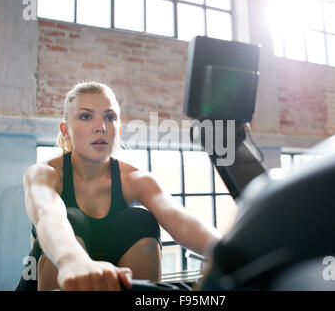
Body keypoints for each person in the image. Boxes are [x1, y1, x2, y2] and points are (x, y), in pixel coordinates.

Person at [16, 81, 222, 291]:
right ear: (65, 130)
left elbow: (180, 221)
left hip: (115, 284)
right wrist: (72, 260)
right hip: (48, 281)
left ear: (119, 129)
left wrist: (232, 254)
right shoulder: (44, 174)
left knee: (139, 220)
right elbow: (48, 215)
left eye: (109, 117)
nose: (101, 127)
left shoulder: (135, 179)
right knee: (71, 218)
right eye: (86, 116)